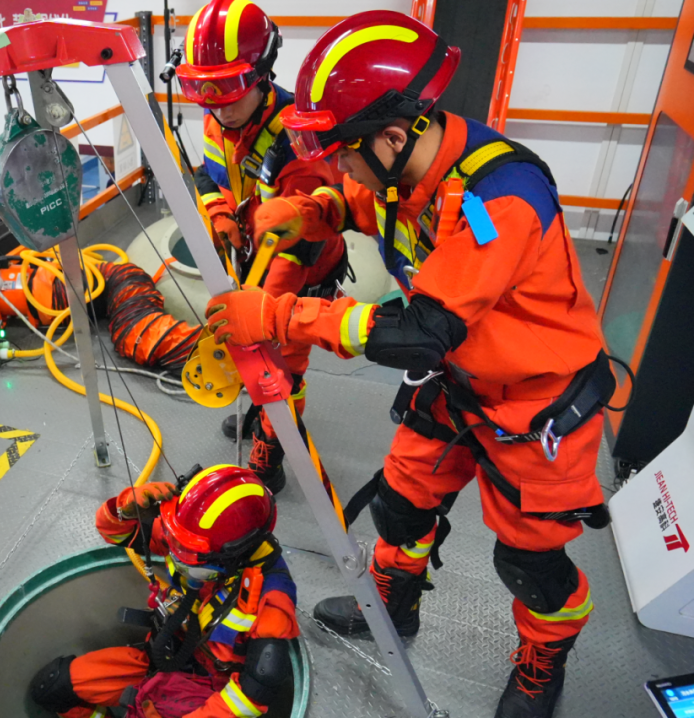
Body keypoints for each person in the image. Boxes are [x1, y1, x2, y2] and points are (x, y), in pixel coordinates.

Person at [204, 11, 615, 718]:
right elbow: (355, 202)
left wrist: (277, 317)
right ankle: (396, 606)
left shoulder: (501, 200)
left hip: (534, 403)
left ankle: (542, 665)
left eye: (343, 152)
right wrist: (307, 213)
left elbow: (419, 332)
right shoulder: (408, 169)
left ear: (393, 136)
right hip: (457, 381)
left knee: (530, 564)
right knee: (400, 505)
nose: (339, 165)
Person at [174, 0, 349, 494]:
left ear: (262, 74)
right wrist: (218, 210)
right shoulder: (221, 117)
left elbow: (301, 241)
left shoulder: (297, 141)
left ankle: (271, 452)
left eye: (230, 87)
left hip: (301, 266)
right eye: (203, 90)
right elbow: (213, 174)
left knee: (281, 363)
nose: (218, 105)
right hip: (254, 249)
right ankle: (261, 409)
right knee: (255, 351)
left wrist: (261, 312)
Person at [29, 466, 298, 718]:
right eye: (176, 541)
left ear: (234, 553)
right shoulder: (186, 537)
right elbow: (114, 532)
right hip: (161, 658)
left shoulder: (272, 600)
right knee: (53, 686)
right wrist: (124, 511)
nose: (176, 552)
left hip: (210, 693)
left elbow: (253, 694)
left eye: (188, 550)